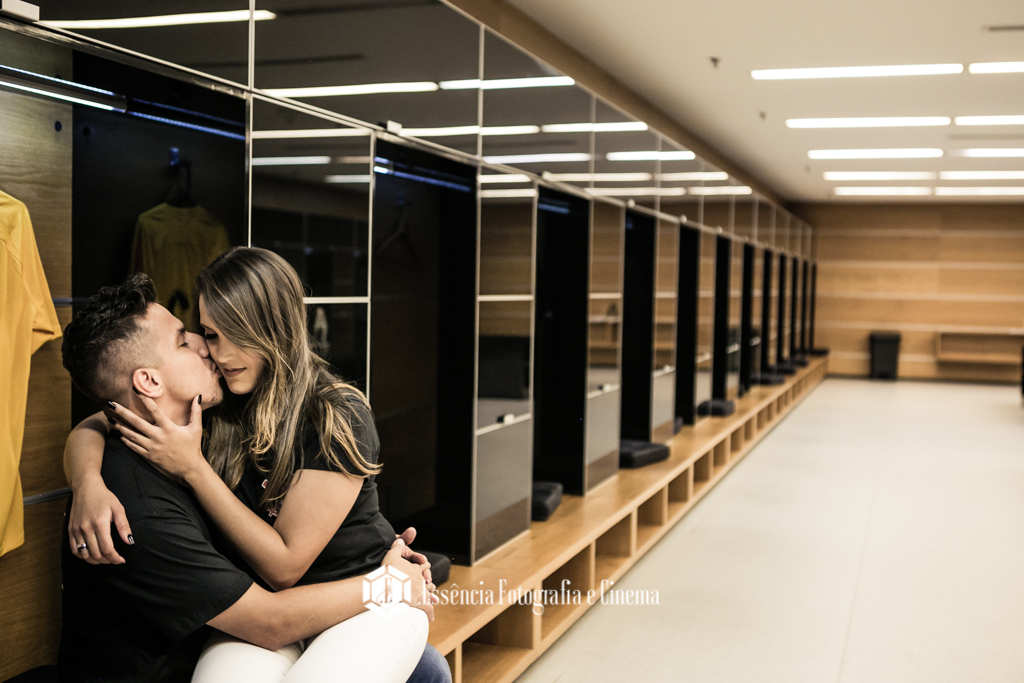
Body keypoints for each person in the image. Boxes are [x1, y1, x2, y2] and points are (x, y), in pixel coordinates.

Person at [59, 273, 444, 683]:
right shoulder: (143, 498)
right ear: (149, 381)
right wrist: (89, 484)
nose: (206, 347)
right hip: (260, 620)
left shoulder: (209, 414)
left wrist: (89, 482)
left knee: (427, 667)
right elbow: (271, 615)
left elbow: (104, 416)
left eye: (217, 334)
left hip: (340, 600)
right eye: (191, 338)